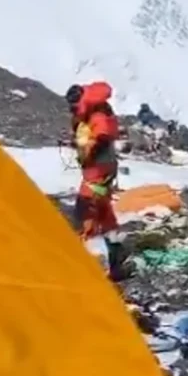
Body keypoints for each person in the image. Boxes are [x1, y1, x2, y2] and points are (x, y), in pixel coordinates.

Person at [65, 82, 125, 279]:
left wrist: (87, 149)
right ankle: (114, 255)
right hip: (101, 168)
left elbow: (101, 137)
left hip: (98, 169)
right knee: (103, 209)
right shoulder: (95, 111)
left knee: (86, 206)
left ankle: (86, 256)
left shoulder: (96, 114)